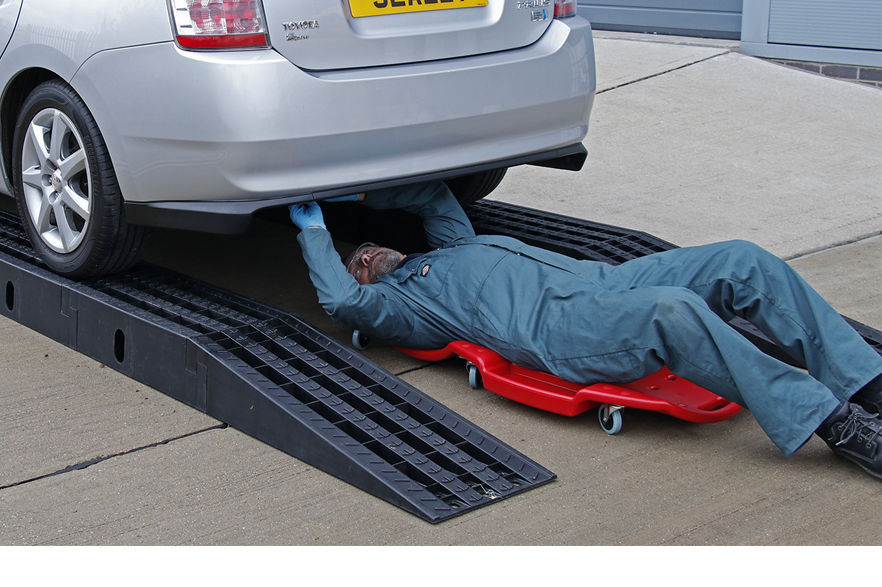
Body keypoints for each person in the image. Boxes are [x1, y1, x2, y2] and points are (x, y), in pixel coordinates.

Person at [289, 180, 882, 478]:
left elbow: (434, 195)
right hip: (567, 329)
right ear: (369, 281)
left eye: (368, 248)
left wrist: (357, 192)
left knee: (741, 258)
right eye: (359, 262)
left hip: (605, 279)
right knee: (672, 309)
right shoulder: (407, 308)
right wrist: (313, 232)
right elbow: (341, 302)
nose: (367, 256)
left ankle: (864, 382)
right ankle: (837, 424)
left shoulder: (452, 247)